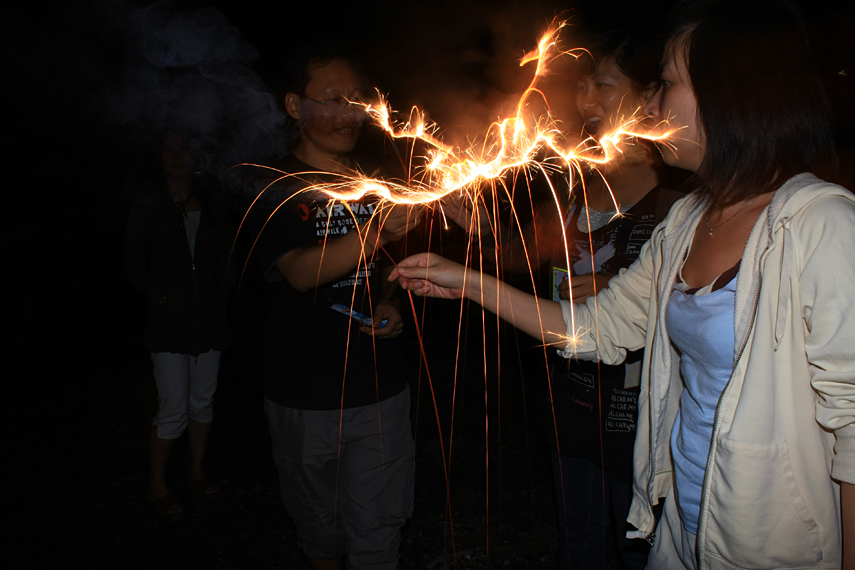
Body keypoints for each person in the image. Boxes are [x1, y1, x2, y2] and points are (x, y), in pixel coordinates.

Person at [390, 1, 854, 567]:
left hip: (778, 549)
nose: (650, 104)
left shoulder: (820, 224)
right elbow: (597, 330)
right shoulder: (687, 221)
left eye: (665, 84)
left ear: (731, 92)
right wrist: (466, 282)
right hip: (680, 530)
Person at [250, 49, 420, 570]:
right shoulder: (272, 184)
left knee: (377, 537)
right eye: (333, 100)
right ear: (294, 106)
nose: (349, 113)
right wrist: (376, 230)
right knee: (320, 536)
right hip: (303, 392)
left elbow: (397, 268)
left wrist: (394, 301)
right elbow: (300, 272)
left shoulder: (379, 178)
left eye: (358, 101)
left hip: (380, 389)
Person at [123, 132, 235, 518]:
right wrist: (164, 298)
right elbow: (132, 262)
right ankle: (157, 485)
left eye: (184, 146)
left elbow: (231, 254)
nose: (177, 155)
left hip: (209, 321)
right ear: (159, 156)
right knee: (172, 408)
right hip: (169, 325)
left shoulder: (212, 201)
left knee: (202, 402)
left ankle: (197, 472)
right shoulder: (149, 204)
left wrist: (220, 294)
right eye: (168, 147)